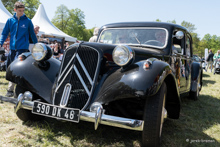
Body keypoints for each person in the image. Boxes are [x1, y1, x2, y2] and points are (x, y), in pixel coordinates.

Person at [0, 1, 38, 97]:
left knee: (17, 68)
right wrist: (0, 43)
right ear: (15, 10)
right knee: (11, 68)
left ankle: (13, 90)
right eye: (20, 11)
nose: (22, 12)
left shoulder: (28, 21)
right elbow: (4, 33)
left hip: (23, 49)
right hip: (12, 49)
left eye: (23, 10)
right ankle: (12, 90)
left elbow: (32, 34)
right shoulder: (10, 21)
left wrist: (37, 45)